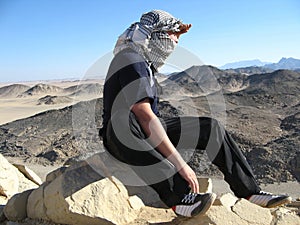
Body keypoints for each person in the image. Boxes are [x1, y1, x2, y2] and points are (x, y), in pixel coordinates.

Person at [99, 9, 292, 217]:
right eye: (173, 34)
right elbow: (143, 115)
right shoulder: (131, 60)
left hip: (140, 132)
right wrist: (181, 166)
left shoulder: (144, 64)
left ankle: (249, 192)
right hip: (121, 136)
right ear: (158, 34)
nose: (176, 41)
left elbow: (147, 119)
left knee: (210, 128)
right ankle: (179, 197)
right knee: (123, 120)